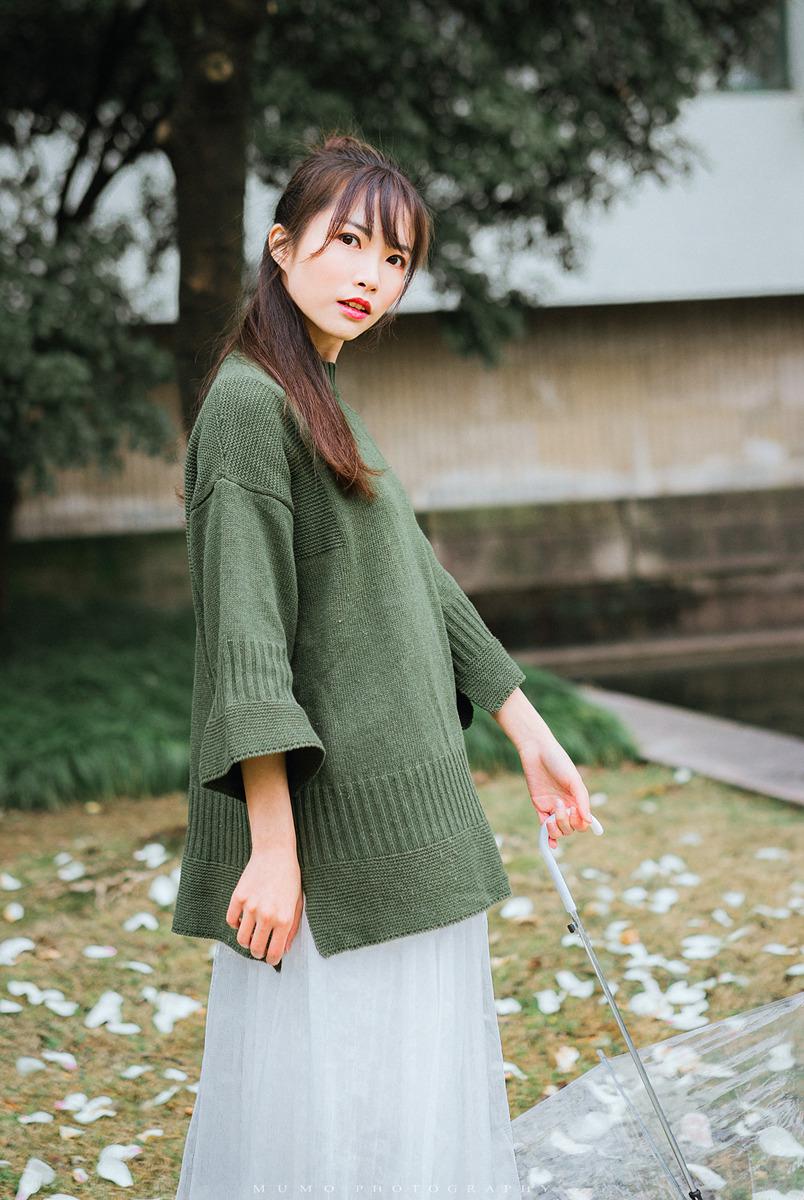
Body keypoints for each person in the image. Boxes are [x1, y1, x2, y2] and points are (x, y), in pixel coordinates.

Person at [173, 132, 594, 1200]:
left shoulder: (315, 398)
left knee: (400, 1116)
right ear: (281, 246)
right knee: (341, 1121)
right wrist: (273, 847)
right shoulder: (248, 407)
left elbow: (416, 577)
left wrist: (526, 727)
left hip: (404, 812)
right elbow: (246, 646)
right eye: (351, 241)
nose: (374, 275)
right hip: (332, 837)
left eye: (397, 258)